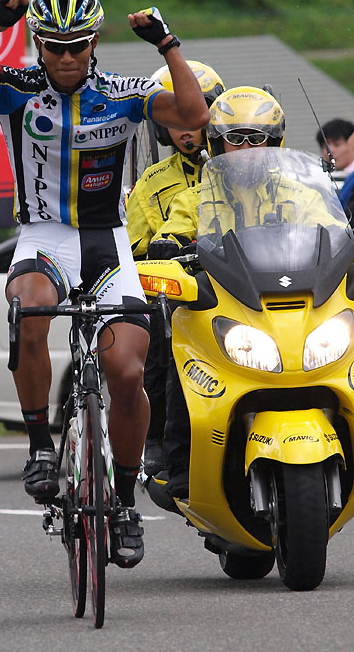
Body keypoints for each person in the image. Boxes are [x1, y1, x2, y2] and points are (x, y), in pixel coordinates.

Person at [0, 0, 209, 568]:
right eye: (52, 44)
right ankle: (38, 446)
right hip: (43, 237)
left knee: (128, 372)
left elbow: (193, 112)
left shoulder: (125, 91)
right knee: (30, 311)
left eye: (75, 44)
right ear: (37, 44)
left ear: (94, 42)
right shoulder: (18, 88)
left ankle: (127, 504)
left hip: (107, 244)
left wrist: (168, 45)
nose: (63, 57)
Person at [147, 86, 286, 505]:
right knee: (182, 362)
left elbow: (332, 231)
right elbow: (170, 231)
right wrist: (166, 245)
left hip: (288, 305)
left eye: (257, 138)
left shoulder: (299, 191)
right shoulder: (196, 196)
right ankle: (180, 467)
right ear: (218, 142)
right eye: (236, 138)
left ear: (274, 143)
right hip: (219, 306)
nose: (246, 148)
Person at [126, 61, 225, 476]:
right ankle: (163, 447)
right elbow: (131, 247)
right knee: (162, 351)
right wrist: (157, 254)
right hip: (173, 293)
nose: (186, 129)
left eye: (195, 116)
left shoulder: (241, 172)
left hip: (235, 286)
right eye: (175, 118)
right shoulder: (152, 180)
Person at [316, 118, 354, 217]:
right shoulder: (318, 177)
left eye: (337, 144)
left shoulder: (351, 178)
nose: (330, 150)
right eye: (325, 146)